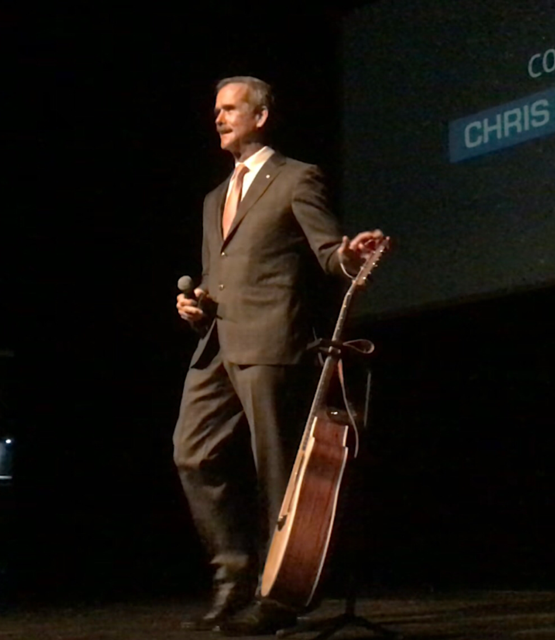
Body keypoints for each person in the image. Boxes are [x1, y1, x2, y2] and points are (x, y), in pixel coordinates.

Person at [174, 76, 384, 635]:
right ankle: (233, 574)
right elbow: (217, 277)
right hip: (215, 345)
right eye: (215, 110)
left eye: (229, 108)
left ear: (260, 116)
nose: (218, 118)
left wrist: (349, 253)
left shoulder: (296, 178)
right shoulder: (214, 198)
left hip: (269, 342)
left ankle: (280, 594)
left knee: (275, 472)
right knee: (191, 454)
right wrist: (194, 307)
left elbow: (327, 254)